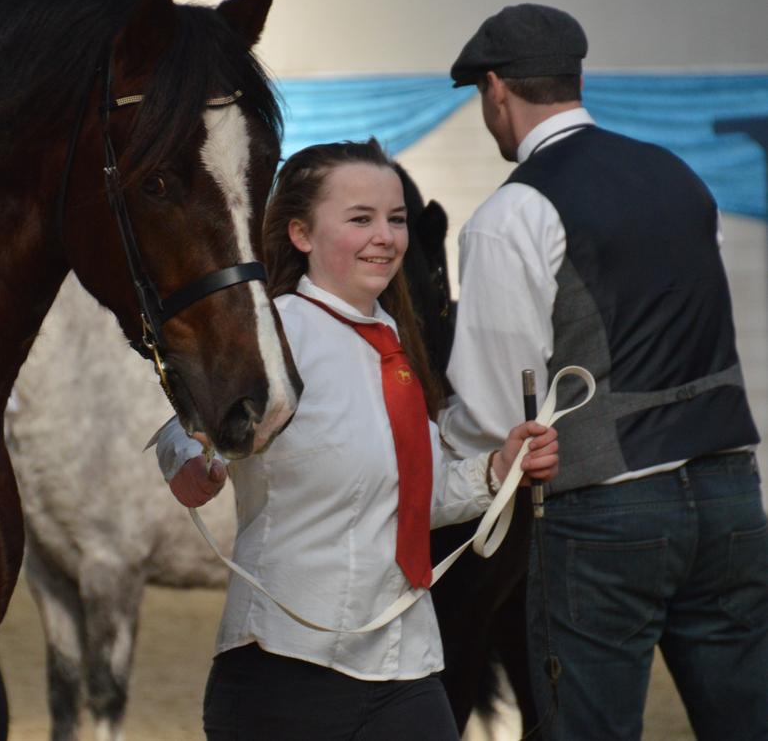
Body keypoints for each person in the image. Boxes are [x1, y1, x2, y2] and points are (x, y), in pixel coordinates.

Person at [155, 138, 559, 740]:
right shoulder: (275, 331)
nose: (387, 237)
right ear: (300, 234)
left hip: (407, 663)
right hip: (284, 670)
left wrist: (499, 470)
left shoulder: (393, 342)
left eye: (395, 219)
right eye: (360, 219)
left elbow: (411, 498)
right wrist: (194, 463)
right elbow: (176, 435)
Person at [441, 3, 767, 741]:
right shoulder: (677, 175)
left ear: (496, 89)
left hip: (609, 514)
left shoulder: (511, 212)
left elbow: (496, 417)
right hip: (731, 495)